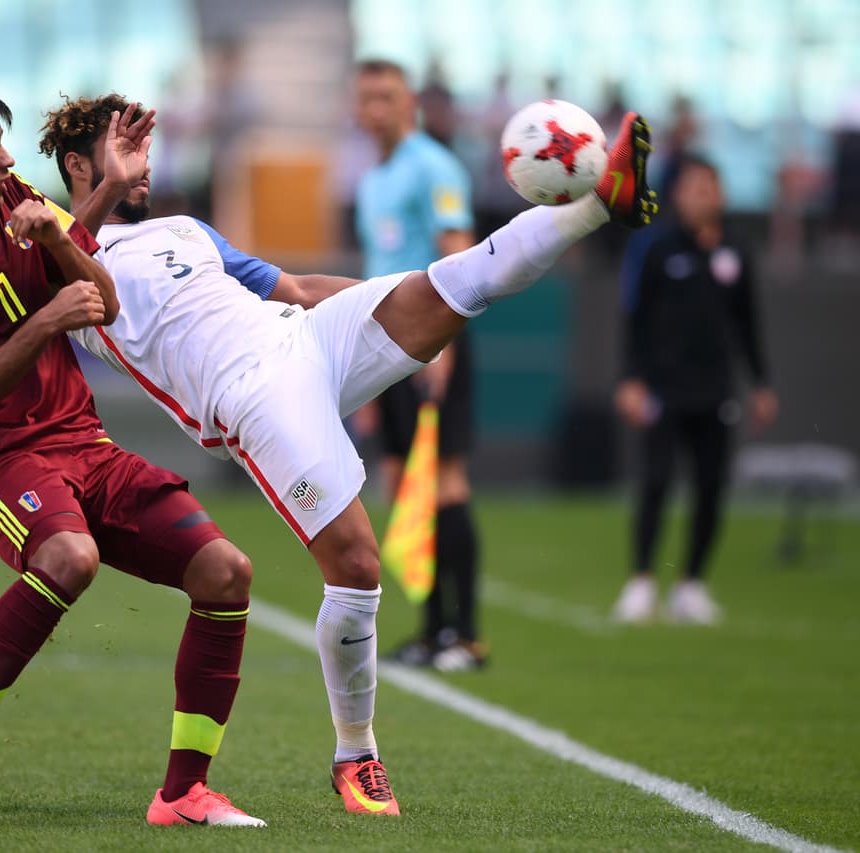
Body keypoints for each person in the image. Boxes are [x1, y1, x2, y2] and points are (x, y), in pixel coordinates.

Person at [39, 93, 657, 816]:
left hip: (306, 339)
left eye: (143, 146)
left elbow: (297, 289)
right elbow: (54, 286)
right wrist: (109, 188)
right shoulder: (56, 252)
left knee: (461, 280)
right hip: (251, 396)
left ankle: (598, 207)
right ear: (81, 165)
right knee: (358, 566)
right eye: (123, 148)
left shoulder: (185, 228)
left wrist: (403, 305)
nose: (141, 161)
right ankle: (355, 751)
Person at [0, 81, 266, 830]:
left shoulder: (9, 198)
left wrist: (65, 228)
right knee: (70, 557)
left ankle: (183, 792)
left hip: (82, 441)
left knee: (226, 570)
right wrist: (45, 318)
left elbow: (101, 300)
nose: (8, 160)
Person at [350, 59, 485, 672]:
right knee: (408, 491)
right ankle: (433, 632)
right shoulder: (373, 178)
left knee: (446, 481)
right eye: (367, 97)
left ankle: (467, 634)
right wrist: (371, 380)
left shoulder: (433, 167)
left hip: (433, 345)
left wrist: (446, 347)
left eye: (387, 96)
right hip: (389, 351)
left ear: (410, 104)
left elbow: (459, 261)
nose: (376, 107)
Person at [612, 154, 777, 625]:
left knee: (711, 488)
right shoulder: (654, 246)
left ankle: (691, 585)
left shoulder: (736, 251)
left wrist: (761, 383)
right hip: (664, 388)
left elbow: (748, 323)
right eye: (694, 186)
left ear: (722, 194)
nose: (703, 194)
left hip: (717, 389)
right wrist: (631, 379)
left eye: (711, 186)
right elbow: (633, 316)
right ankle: (641, 581)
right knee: (657, 482)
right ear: (678, 194)